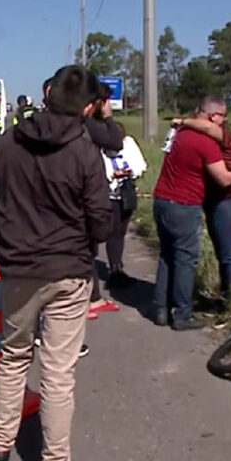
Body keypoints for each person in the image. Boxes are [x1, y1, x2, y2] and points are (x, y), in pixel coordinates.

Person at [0, 65, 112, 461]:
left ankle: (0, 445)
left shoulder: (8, 142)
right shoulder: (84, 151)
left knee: (13, 355)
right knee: (58, 371)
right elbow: (100, 222)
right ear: (89, 107)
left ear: (49, 95)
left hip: (18, 267)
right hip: (68, 271)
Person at [152, 96, 231, 331]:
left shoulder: (180, 134)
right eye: (223, 116)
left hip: (163, 199)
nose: (225, 122)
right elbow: (223, 178)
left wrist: (183, 121)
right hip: (185, 204)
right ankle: (182, 314)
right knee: (185, 259)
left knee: (167, 255)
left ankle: (161, 308)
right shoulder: (206, 143)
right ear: (213, 117)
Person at [173, 110, 231, 310]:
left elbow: (206, 127)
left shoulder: (223, 134)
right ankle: (225, 298)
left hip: (229, 201)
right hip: (217, 201)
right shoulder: (209, 137)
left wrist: (182, 121)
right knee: (222, 253)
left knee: (228, 253)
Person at [85, 82, 124, 319]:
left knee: (86, 252)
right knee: (86, 251)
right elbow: (115, 142)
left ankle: (92, 297)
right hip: (86, 197)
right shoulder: (88, 123)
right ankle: (88, 300)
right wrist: (109, 118)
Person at [103, 122, 147, 288]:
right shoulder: (100, 148)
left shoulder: (129, 144)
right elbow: (97, 169)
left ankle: (118, 267)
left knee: (121, 231)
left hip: (126, 192)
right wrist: (112, 175)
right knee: (113, 232)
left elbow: (141, 165)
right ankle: (115, 269)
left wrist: (131, 172)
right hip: (108, 195)